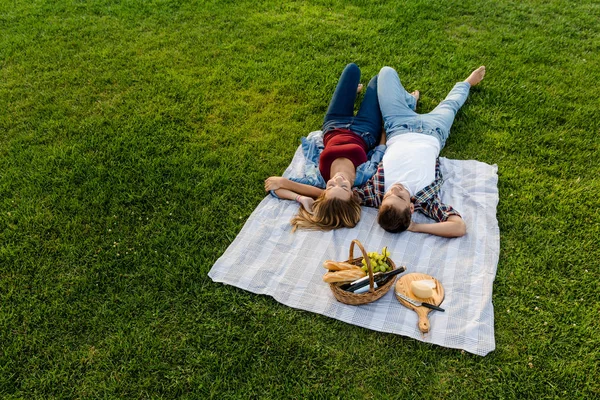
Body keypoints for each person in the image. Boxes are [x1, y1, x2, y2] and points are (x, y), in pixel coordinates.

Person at [353, 65, 486, 237]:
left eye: (388, 196)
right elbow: (458, 227)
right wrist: (415, 227)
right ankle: (468, 82)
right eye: (400, 197)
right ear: (410, 207)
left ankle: (409, 102)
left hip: (398, 124)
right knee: (451, 105)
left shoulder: (374, 192)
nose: (395, 190)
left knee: (386, 72)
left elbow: (338, 195)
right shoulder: (425, 201)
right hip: (434, 130)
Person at [264, 63, 385, 231]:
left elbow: (274, 187)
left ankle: (351, 94)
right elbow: (379, 151)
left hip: (335, 123)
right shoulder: (363, 177)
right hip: (367, 129)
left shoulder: (318, 178)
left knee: (352, 69)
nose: (337, 181)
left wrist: (301, 198)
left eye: (330, 186)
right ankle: (398, 99)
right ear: (352, 194)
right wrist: (385, 129)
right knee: (379, 80)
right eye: (343, 187)